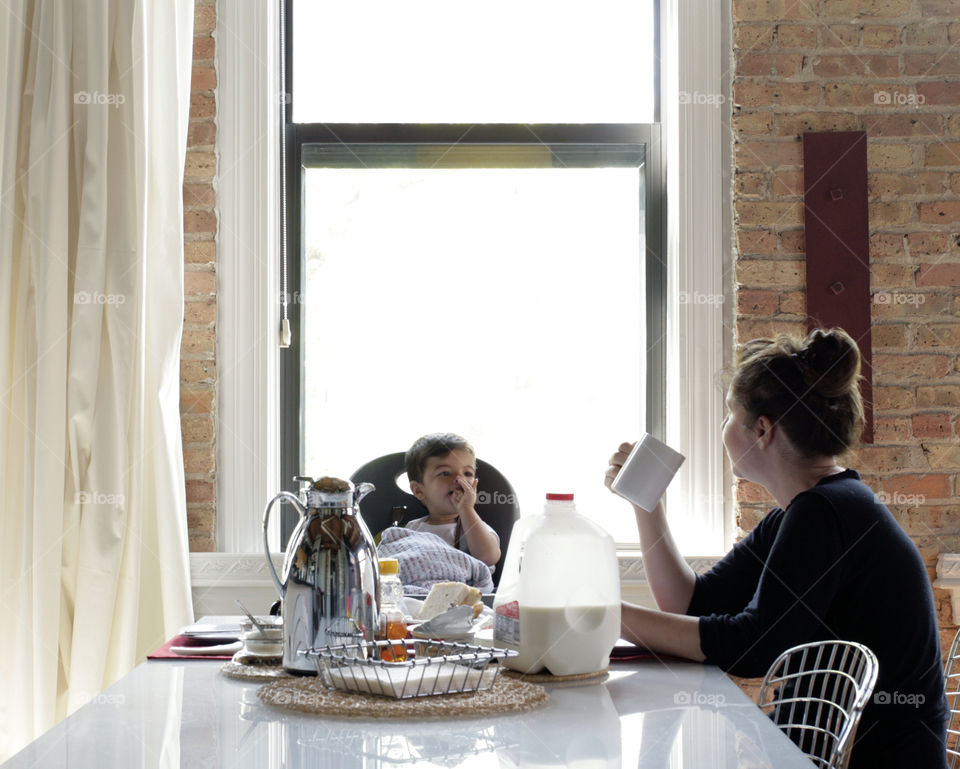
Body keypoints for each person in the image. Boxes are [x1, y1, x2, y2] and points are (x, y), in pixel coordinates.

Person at [606, 328, 948, 767]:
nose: (724, 429)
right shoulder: (805, 511)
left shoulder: (825, 513)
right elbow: (692, 605)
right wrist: (645, 504)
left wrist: (606, 615)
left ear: (763, 429)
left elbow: (753, 645)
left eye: (730, 415)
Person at [404, 433, 501, 567]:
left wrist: (466, 509)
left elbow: (488, 557)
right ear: (419, 490)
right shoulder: (412, 529)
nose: (459, 479)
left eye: (467, 473)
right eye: (445, 473)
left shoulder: (473, 527)